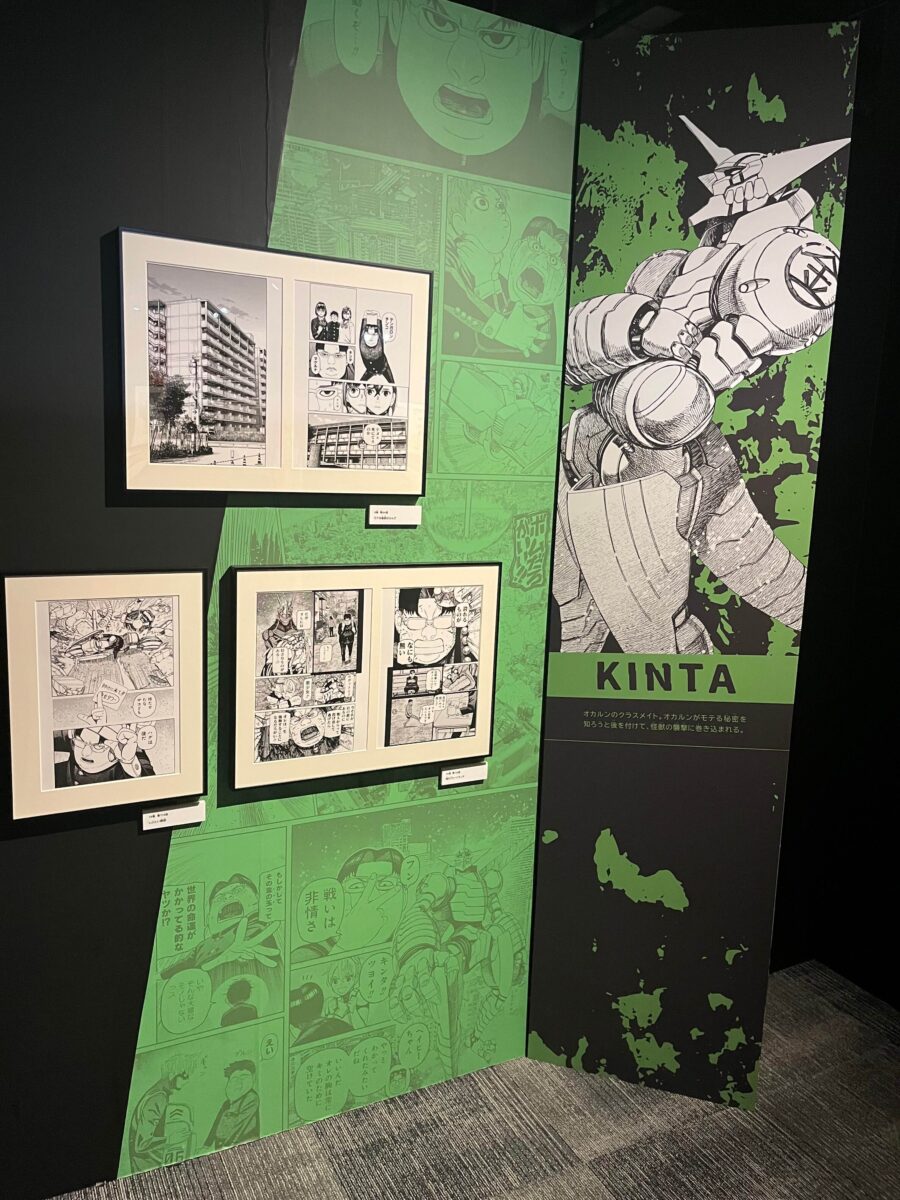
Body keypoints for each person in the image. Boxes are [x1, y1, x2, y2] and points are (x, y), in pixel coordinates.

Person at [204, 1061, 259, 1151]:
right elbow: (217, 1123)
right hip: (221, 1145)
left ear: (253, 1079)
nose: (239, 1083)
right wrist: (207, 1144)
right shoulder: (227, 1102)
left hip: (241, 1145)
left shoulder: (251, 1097)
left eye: (244, 1078)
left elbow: (241, 1125)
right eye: (235, 1078)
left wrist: (227, 1146)